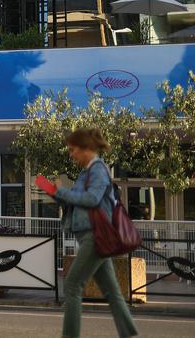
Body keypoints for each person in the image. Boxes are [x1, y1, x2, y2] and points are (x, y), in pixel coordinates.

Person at [48, 128, 138, 338]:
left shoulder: (97, 169)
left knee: (72, 285)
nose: (71, 154)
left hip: (95, 236)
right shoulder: (85, 172)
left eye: (73, 150)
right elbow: (78, 202)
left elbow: (92, 199)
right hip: (92, 236)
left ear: (86, 148)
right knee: (112, 292)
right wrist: (57, 194)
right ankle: (129, 334)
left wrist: (63, 192)